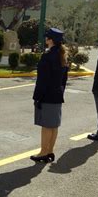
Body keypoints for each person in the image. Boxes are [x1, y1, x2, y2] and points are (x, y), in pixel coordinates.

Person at [30, 28, 69, 163]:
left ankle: (43, 152)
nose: (45, 39)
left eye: (47, 37)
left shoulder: (47, 57)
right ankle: (50, 151)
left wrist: (38, 97)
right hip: (57, 95)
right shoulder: (61, 55)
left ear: (50, 40)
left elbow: (42, 80)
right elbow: (64, 79)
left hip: (47, 95)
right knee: (53, 126)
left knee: (46, 126)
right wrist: (59, 91)